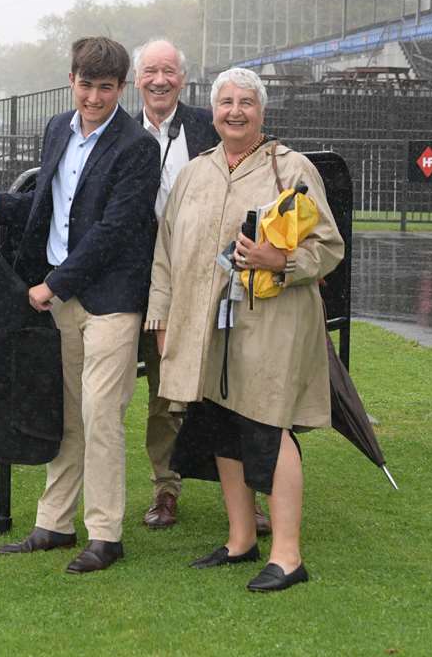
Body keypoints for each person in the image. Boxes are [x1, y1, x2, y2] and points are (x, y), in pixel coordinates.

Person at [145, 67, 343, 592]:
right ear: (212, 111)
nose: (235, 111)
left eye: (246, 102)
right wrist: (161, 317)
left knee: (267, 428)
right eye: (226, 102)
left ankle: (288, 555)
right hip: (206, 327)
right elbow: (164, 252)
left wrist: (278, 259)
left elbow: (328, 246)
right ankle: (240, 540)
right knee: (222, 428)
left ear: (262, 110)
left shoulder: (291, 167)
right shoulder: (195, 173)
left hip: (271, 325)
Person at [0, 37, 159, 573]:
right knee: (67, 413)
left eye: (105, 87)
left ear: (121, 88)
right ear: (72, 79)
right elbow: (50, 204)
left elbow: (115, 231)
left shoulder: (137, 147)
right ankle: (54, 524)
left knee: (101, 414)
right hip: (60, 299)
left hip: (110, 301)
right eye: (85, 84)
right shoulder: (57, 128)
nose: (93, 97)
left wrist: (51, 284)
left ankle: (106, 534)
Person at [131, 40, 271, 534]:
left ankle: (247, 499)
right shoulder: (121, 133)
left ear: (183, 79)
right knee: (166, 397)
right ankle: (165, 490)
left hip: (220, 283)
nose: (160, 80)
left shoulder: (211, 124)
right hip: (148, 283)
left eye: (169, 70)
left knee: (234, 393)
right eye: (150, 71)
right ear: (136, 80)